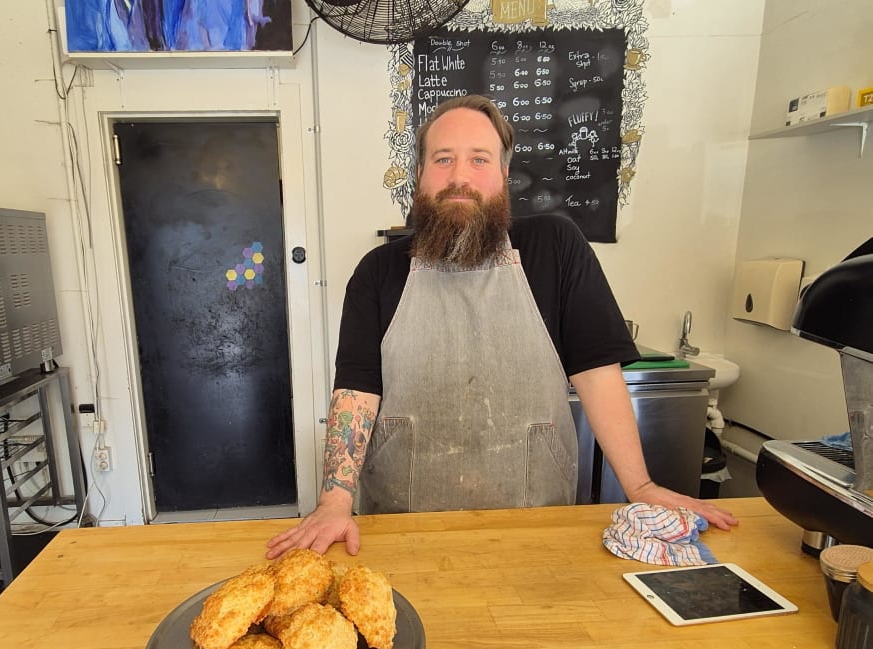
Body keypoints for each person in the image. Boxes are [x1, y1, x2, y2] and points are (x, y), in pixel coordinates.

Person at [266, 95, 737, 559]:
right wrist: (334, 500)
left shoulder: (556, 247)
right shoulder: (378, 271)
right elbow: (356, 392)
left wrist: (641, 485)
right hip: (403, 528)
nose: (459, 177)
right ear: (420, 174)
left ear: (504, 175)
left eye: (479, 159)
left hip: (536, 529)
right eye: (443, 159)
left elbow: (597, 373)